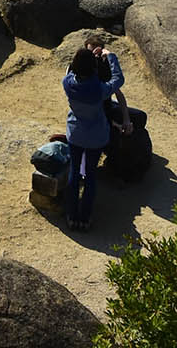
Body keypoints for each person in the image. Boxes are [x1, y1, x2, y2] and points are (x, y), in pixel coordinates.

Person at [55, 41, 124, 231]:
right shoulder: (100, 90)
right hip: (96, 137)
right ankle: (85, 218)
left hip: (75, 133)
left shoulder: (67, 83)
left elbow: (70, 69)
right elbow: (118, 79)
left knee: (74, 173)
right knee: (91, 175)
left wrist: (87, 57)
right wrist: (110, 56)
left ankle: (71, 216)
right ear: (93, 68)